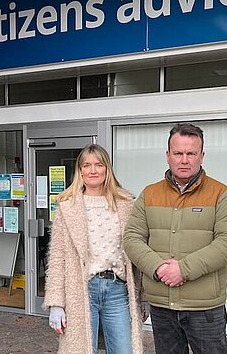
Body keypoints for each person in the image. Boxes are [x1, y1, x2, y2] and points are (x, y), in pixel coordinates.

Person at [123, 123, 227, 354]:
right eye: (178, 153)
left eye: (191, 153)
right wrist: (158, 268)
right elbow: (132, 238)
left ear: (202, 156)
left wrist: (183, 269)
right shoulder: (150, 194)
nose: (184, 160)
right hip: (162, 306)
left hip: (204, 308)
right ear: (168, 155)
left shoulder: (221, 194)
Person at [44, 144, 144, 354]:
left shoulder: (126, 203)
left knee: (124, 350)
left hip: (118, 290)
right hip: (80, 290)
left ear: (107, 169)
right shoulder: (67, 205)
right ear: (80, 170)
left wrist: (145, 297)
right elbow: (57, 256)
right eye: (87, 165)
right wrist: (56, 303)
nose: (93, 170)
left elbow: (138, 251)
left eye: (99, 165)